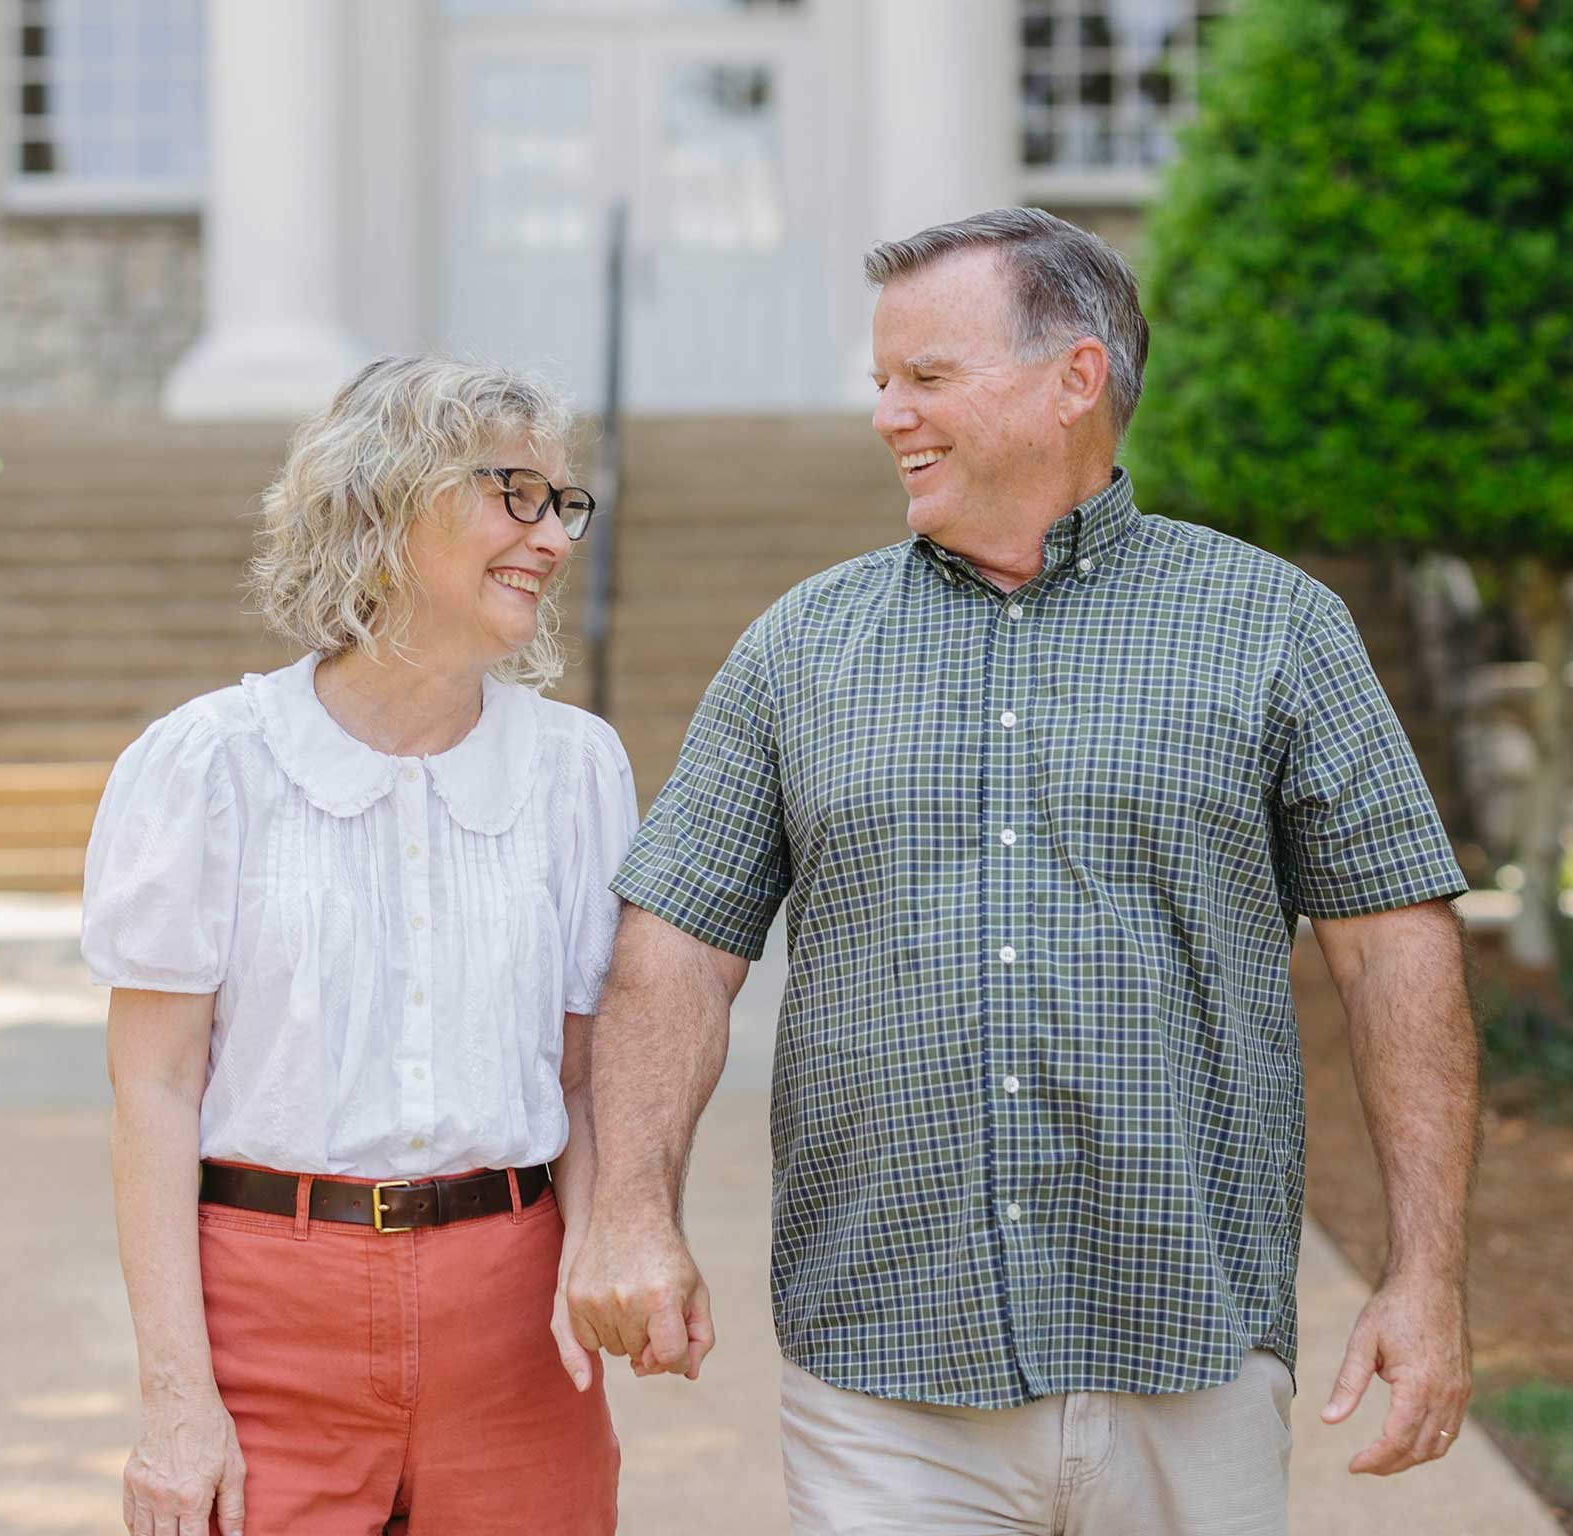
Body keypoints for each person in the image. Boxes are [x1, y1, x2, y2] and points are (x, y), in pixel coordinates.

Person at [567, 209, 1478, 1535]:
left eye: (927, 378)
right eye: (883, 382)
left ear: (1075, 381)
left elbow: (1398, 948)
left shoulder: (1277, 628)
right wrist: (633, 1213)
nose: (888, 415)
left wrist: (1426, 1279)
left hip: (1192, 1352)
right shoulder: (797, 648)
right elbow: (674, 950)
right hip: (882, 1368)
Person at [83, 355, 633, 1536]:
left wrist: (603, 1236)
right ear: (386, 501)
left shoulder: (577, 769)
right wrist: (179, 1403)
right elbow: (155, 1087)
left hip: (517, 1326)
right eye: (514, 494)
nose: (552, 536)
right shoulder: (209, 764)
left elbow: (585, 1073)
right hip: (265, 1324)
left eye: (563, 503)